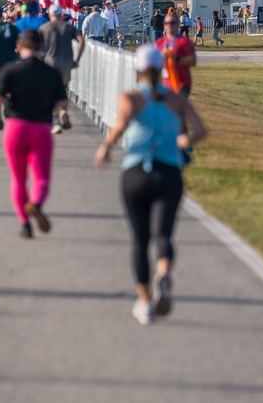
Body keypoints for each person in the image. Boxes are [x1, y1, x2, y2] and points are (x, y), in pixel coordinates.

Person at [95, 45, 207, 325]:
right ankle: (164, 271)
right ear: (162, 69)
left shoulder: (131, 98)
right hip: (168, 172)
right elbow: (201, 130)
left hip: (136, 173)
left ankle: (145, 304)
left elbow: (121, 125)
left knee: (140, 239)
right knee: (163, 235)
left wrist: (106, 146)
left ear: (138, 70)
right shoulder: (176, 100)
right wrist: (185, 141)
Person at [0, 29, 69, 238]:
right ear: (41, 46)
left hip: (16, 127)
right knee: (41, 178)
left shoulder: (10, 70)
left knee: (18, 179)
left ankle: (25, 224)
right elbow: (62, 103)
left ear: (19, 45)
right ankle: (35, 204)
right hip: (41, 129)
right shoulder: (51, 72)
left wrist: (7, 98)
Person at [39, 4, 84, 134]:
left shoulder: (44, 28)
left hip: (49, 64)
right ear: (61, 14)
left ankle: (56, 121)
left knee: (51, 93)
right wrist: (77, 59)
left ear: (49, 15)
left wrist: (41, 58)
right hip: (66, 64)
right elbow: (82, 41)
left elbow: (38, 46)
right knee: (63, 89)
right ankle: (63, 110)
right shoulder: (69, 27)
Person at [155, 13, 196, 97]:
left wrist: (177, 58)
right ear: (164, 25)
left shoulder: (184, 42)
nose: (169, 25)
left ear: (178, 24)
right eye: (167, 23)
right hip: (165, 83)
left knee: (176, 108)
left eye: (172, 23)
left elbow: (192, 61)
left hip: (181, 83)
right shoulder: (160, 42)